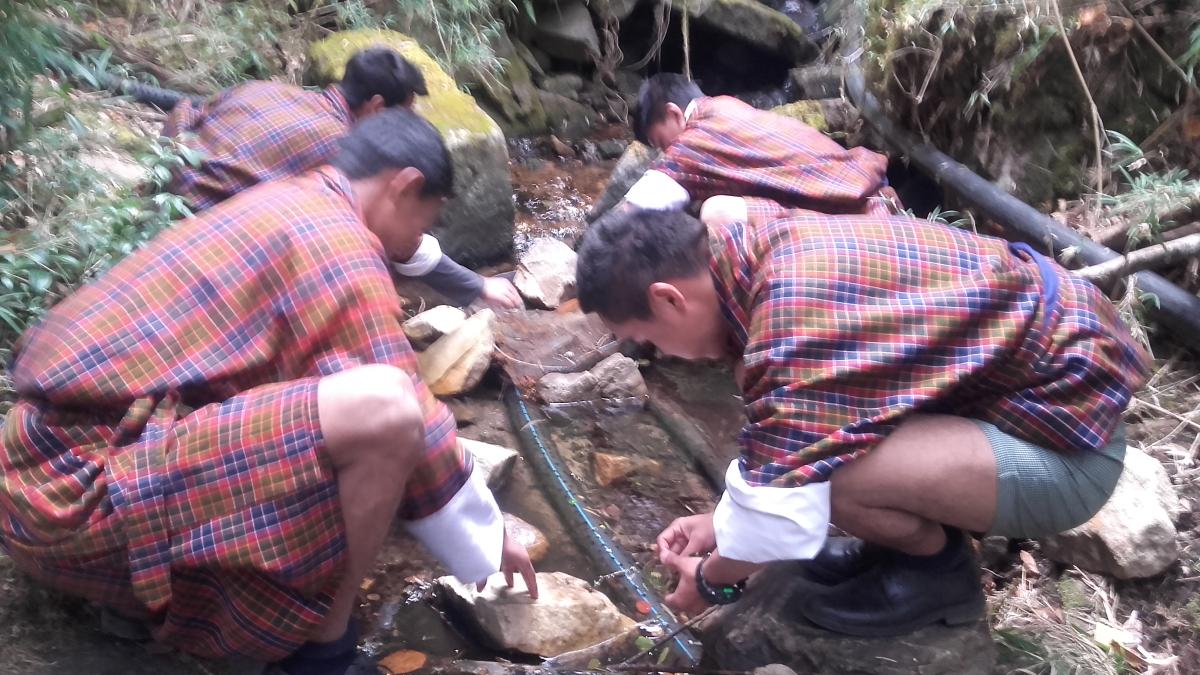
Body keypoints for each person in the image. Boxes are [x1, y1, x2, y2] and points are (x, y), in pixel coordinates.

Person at [0, 109, 537, 675]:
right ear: (403, 186)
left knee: (346, 426)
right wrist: (489, 534)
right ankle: (322, 650)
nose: (419, 241)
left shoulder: (292, 198)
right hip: (70, 495)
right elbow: (408, 410)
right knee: (386, 409)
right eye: (427, 220)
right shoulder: (338, 245)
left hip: (39, 462)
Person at [575, 207, 1149, 636]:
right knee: (815, 455)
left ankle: (937, 575)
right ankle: (898, 552)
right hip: (1042, 403)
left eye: (647, 338)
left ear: (670, 299)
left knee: (831, 473)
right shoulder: (760, 243)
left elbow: (782, 507)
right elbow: (777, 451)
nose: (663, 354)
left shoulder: (785, 324)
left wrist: (710, 579)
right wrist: (720, 523)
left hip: (1068, 453)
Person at [166, 46, 520, 310]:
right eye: (403, 115)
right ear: (377, 107)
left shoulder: (265, 89)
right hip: (210, 266)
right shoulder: (342, 149)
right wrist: (476, 285)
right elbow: (401, 242)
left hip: (170, 214)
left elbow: (185, 112)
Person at [621, 74, 902, 228]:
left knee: (716, 212)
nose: (666, 153)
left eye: (662, 144)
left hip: (857, 216)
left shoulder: (695, 140)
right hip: (874, 190)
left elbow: (633, 210)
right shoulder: (727, 106)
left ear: (674, 114)